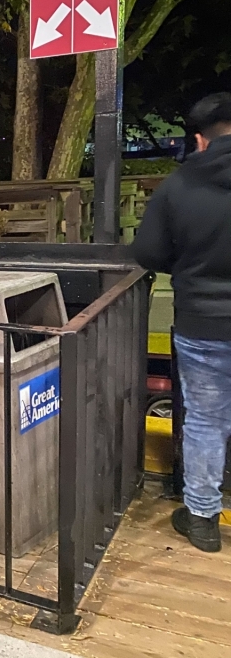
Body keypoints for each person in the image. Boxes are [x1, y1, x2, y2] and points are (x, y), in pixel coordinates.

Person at [132, 92, 231, 553]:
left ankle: (203, 520)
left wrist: (191, 265)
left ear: (198, 138)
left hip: (203, 321)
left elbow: (149, 252)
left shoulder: (178, 185)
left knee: (206, 422)